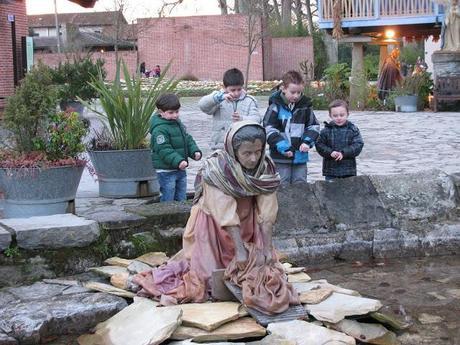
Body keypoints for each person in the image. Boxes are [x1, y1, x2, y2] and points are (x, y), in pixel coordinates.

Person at [134, 121, 300, 314]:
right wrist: (239, 250)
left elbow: (268, 211)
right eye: (247, 153)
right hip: (214, 222)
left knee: (262, 263)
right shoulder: (217, 170)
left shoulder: (265, 168)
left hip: (248, 221)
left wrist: (266, 248)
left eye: (258, 151)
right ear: (233, 149)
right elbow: (225, 213)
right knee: (207, 275)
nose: (254, 158)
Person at [263, 70, 320, 184]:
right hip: (280, 156)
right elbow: (268, 128)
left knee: (300, 183)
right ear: (283, 89)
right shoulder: (275, 107)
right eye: (293, 92)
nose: (296, 96)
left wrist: (307, 142)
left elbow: (313, 126)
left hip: (300, 156)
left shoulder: (305, 106)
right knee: (282, 183)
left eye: (299, 92)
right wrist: (282, 146)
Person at [150, 93, 202, 202]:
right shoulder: (159, 130)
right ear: (161, 112)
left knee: (181, 195)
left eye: (177, 112)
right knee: (168, 195)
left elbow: (187, 139)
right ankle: (167, 216)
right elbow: (164, 149)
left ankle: (182, 215)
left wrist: (194, 151)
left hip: (180, 169)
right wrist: (178, 161)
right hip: (166, 171)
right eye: (171, 113)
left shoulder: (177, 124)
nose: (175, 115)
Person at [198, 68, 262, 150]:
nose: (236, 93)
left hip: (243, 147)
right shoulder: (218, 99)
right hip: (221, 146)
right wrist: (218, 98)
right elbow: (202, 105)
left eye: (239, 89)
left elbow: (257, 119)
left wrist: (243, 119)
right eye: (233, 90)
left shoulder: (249, 101)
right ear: (225, 87)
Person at [315, 100, 364, 181]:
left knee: (349, 191)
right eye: (335, 115)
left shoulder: (353, 129)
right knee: (331, 191)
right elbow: (319, 144)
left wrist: (344, 153)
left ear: (347, 114)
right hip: (331, 170)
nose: (339, 118)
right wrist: (330, 152)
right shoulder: (326, 130)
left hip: (348, 170)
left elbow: (358, 144)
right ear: (330, 115)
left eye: (342, 115)